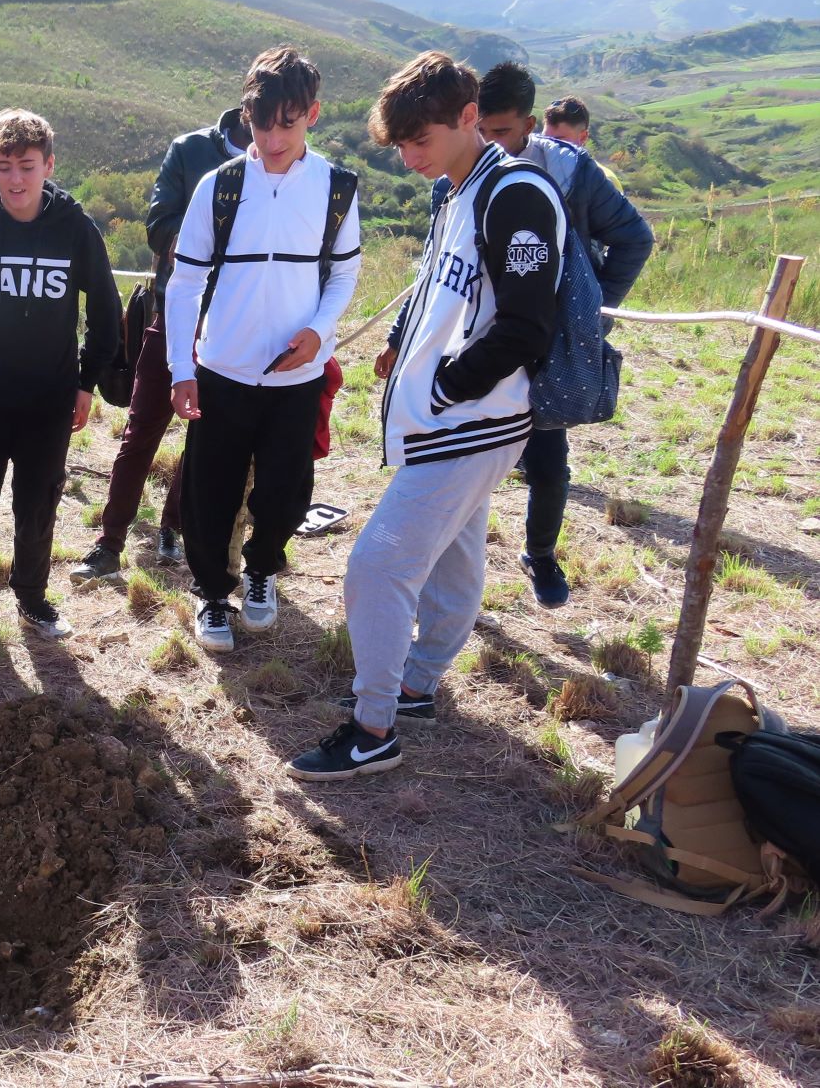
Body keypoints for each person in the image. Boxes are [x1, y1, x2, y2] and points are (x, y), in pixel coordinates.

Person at [288, 52, 561, 781]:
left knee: (377, 566)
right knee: (455, 554)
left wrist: (443, 384)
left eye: (422, 141)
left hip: (473, 420)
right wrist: (401, 340)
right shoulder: (458, 188)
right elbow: (442, 286)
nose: (410, 158)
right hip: (451, 416)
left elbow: (527, 328)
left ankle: (373, 725)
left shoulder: (516, 195)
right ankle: (417, 684)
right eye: (401, 145)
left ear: (469, 117)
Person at [164, 47, 362, 651]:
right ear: (247, 115)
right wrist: (181, 369)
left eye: (289, 121)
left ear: (313, 115)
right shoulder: (217, 188)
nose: (274, 138)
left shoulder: (336, 187)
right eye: (262, 121)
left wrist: (319, 335)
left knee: (285, 492)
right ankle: (211, 596)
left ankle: (260, 573)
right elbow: (185, 282)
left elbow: (344, 275)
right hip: (221, 369)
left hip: (295, 379)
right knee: (210, 492)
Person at [0, 108, 120, 643]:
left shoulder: (75, 229)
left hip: (49, 399)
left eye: (27, 166)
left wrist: (86, 382)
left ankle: (34, 599)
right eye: (4, 166)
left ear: (48, 165)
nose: (16, 179)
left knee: (37, 502)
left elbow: (106, 311)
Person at [460, 63, 652, 608]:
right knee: (463, 459)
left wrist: (593, 312)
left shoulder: (572, 172)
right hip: (475, 339)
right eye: (482, 130)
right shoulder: (459, 167)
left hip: (544, 343)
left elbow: (635, 238)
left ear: (527, 124)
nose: (490, 143)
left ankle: (540, 555)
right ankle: (451, 570)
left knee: (548, 464)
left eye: (501, 132)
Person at [70, 105, 251, 584]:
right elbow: (158, 223)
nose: (275, 126)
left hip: (237, 323)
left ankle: (173, 525)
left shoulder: (287, 165)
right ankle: (108, 543)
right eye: (267, 113)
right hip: (175, 312)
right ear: (249, 105)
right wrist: (203, 242)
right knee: (142, 427)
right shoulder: (190, 151)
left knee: (204, 435)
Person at [542, 95, 625, 193]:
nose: (548, 146)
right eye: (544, 140)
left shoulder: (604, 180)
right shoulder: (536, 174)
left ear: (582, 137)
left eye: (558, 141)